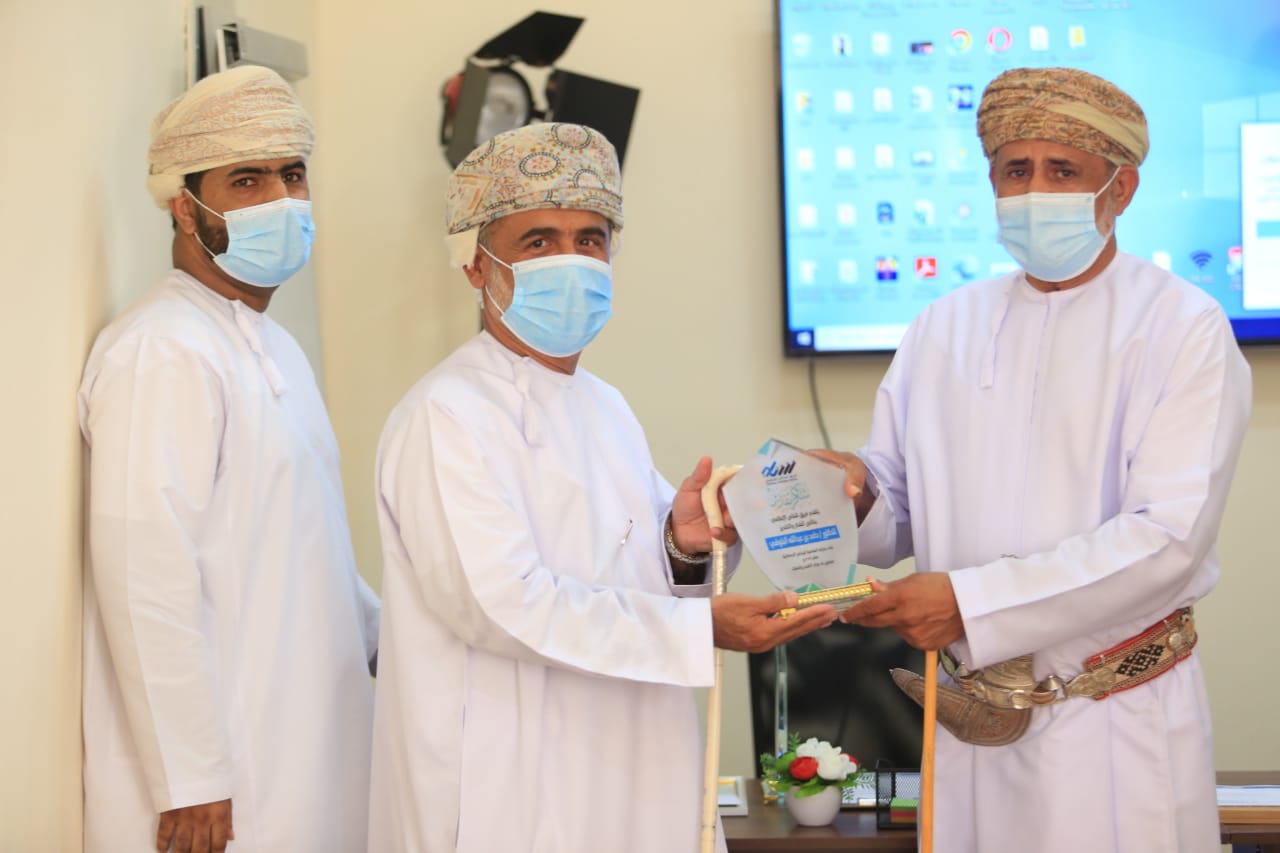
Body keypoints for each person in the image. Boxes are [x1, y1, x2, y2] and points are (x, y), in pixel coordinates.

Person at [368, 122, 836, 853]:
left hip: (633, 758)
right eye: (539, 241)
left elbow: (631, 572)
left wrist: (682, 543)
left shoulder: (603, 404)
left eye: (589, 239)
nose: (571, 260)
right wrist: (700, 630)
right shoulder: (445, 414)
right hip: (515, 781)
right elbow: (502, 607)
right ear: (476, 266)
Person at [824, 67, 1252, 853]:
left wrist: (969, 604)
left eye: (1063, 171)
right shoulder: (943, 324)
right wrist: (852, 495)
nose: (1034, 191)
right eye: (1016, 170)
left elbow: (1166, 538)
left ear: (1120, 188)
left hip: (1115, 723)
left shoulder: (1182, 326)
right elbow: (896, 510)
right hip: (972, 726)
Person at [79, 65, 379, 853]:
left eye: (292, 174)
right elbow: (144, 573)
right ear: (184, 207)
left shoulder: (274, 347)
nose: (281, 199)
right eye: (247, 179)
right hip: (220, 785)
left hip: (305, 750)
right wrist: (189, 778)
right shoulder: (161, 349)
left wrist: (390, 635)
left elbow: (304, 543)